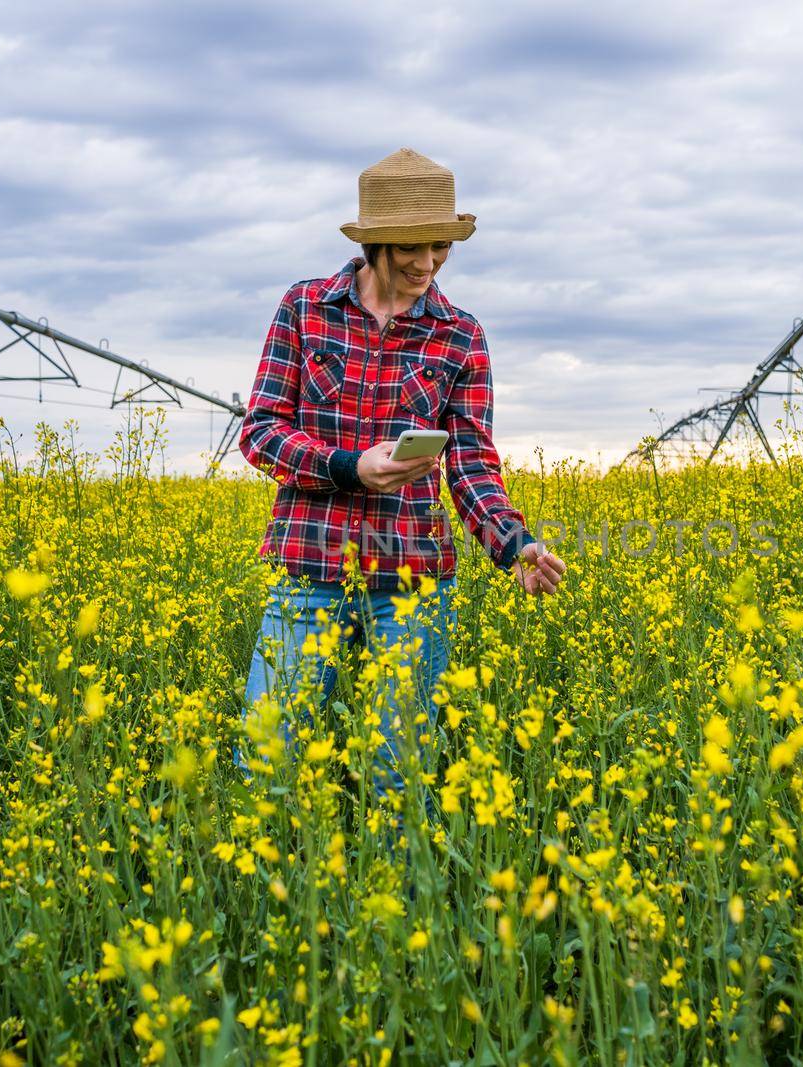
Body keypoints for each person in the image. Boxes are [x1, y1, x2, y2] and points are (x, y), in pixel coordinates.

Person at [235, 146, 566, 802]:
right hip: (311, 566)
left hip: (413, 578)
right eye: (410, 247)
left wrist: (514, 544)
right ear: (374, 244)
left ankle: (392, 900)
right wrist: (348, 467)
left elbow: (471, 465)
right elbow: (261, 433)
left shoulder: (460, 336)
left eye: (440, 245)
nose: (427, 262)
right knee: (270, 765)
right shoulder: (304, 309)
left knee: (399, 779)